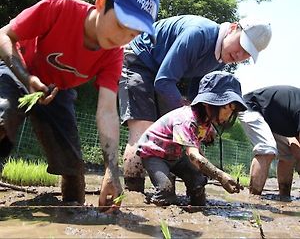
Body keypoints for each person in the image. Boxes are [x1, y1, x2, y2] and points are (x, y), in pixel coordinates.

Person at [0, 0, 159, 211]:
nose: (121, 38)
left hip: (57, 91)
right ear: (102, 3)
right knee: (4, 115)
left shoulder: (114, 55)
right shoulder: (59, 7)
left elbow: (107, 111)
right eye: (120, 25)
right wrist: (27, 77)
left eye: (133, 34)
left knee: (73, 168)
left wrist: (112, 171)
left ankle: (69, 212)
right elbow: (5, 35)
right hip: (17, 69)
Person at [118, 14, 272, 192]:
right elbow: (164, 81)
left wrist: (205, 124)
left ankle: (167, 194)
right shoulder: (198, 34)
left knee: (172, 136)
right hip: (139, 60)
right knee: (144, 131)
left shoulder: (220, 60)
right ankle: (133, 194)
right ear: (232, 28)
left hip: (163, 74)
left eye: (247, 53)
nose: (239, 55)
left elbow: (198, 96)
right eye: (242, 45)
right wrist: (191, 122)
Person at [136, 71, 247, 206]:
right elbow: (193, 155)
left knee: (198, 183)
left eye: (232, 110)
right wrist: (220, 175)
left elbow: (197, 147)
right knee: (166, 191)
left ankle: (195, 206)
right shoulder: (187, 119)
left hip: (176, 155)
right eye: (225, 107)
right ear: (207, 103)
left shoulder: (206, 121)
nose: (228, 115)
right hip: (155, 154)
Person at [238, 85, 300, 199]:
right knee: (267, 150)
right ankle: (253, 201)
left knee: (288, 155)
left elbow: (295, 145)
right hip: (251, 107)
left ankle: (284, 197)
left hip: (274, 119)